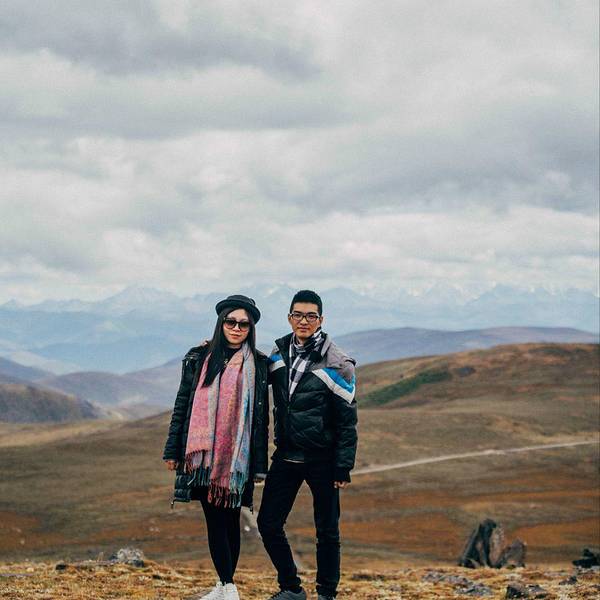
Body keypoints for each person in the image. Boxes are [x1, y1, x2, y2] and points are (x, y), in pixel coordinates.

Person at [163, 294, 269, 600]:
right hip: (203, 458)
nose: (236, 328)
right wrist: (172, 450)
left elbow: (261, 420)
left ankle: (227, 587)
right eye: (231, 321)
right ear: (220, 323)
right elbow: (182, 405)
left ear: (251, 329)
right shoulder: (199, 358)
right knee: (214, 519)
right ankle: (225, 586)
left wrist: (260, 465)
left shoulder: (259, 365)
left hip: (237, 461)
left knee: (230, 520)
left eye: (244, 324)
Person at [257, 290, 358, 600]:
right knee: (268, 523)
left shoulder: (338, 364)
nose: (304, 321)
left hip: (322, 459)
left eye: (311, 316)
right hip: (286, 454)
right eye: (298, 315)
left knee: (327, 531)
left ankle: (327, 594)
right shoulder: (277, 354)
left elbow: (347, 421)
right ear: (289, 318)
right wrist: (213, 348)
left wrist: (343, 465)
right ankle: (291, 588)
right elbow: (248, 367)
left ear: (321, 320)